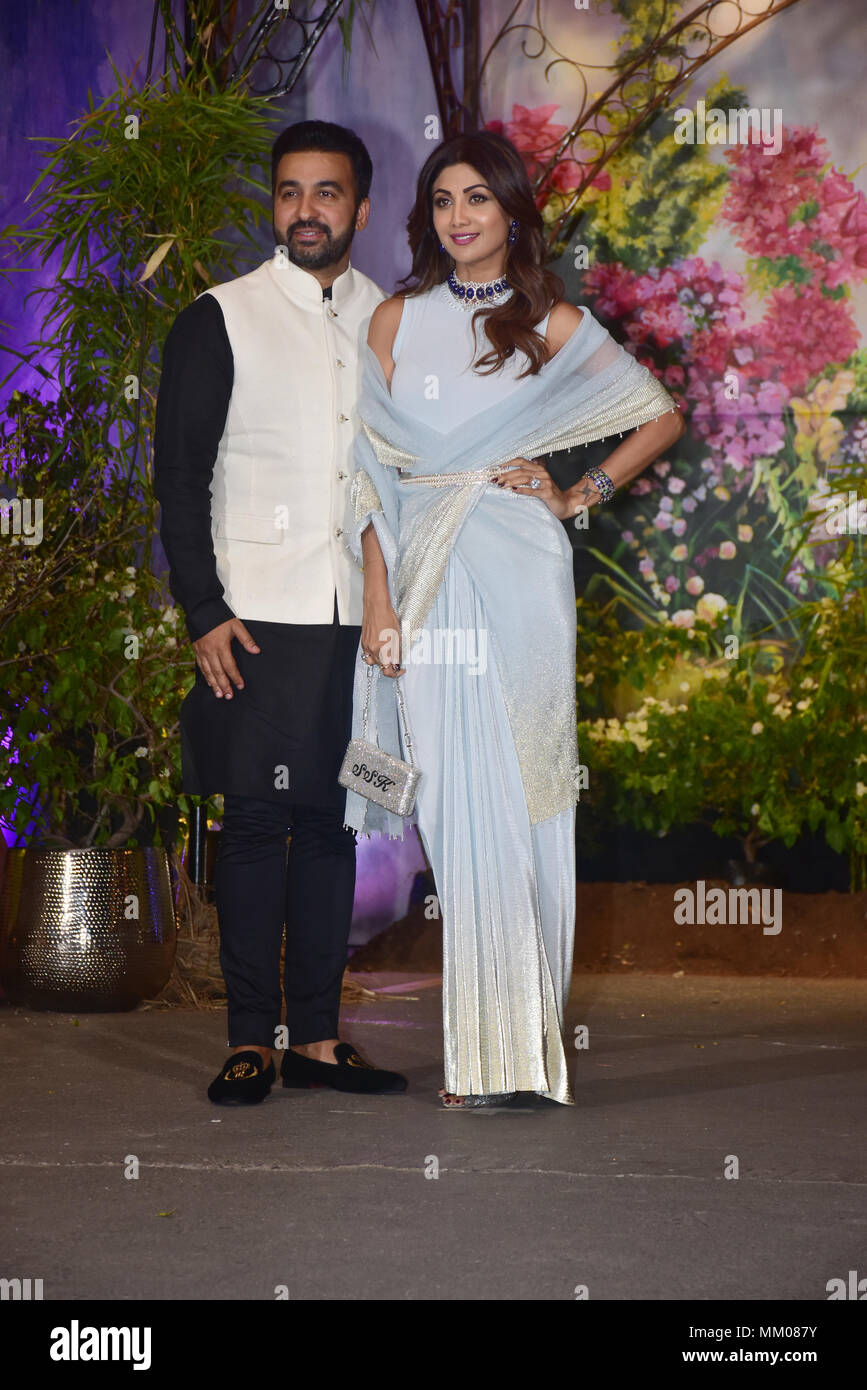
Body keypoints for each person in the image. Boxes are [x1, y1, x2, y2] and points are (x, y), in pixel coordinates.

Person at [343, 130, 685, 1108]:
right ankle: (485, 1049)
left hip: (522, 567)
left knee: (536, 792)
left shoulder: (554, 322)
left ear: (510, 213)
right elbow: (369, 477)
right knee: (453, 805)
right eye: (443, 200)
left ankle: (525, 1052)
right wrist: (377, 599)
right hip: (423, 571)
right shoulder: (395, 321)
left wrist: (580, 492)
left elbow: (657, 413)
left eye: (477, 200)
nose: (458, 217)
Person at [153, 120, 407, 1104]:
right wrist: (203, 610)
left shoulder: (390, 321)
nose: (307, 209)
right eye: (291, 191)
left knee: (338, 824)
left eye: (328, 192)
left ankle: (317, 1037)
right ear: (276, 203)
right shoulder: (220, 316)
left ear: (361, 206)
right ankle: (250, 1036)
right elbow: (180, 477)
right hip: (254, 620)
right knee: (257, 823)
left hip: (358, 622)